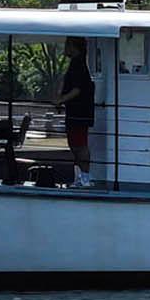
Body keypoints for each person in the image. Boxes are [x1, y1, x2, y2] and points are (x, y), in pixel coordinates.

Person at [56, 37, 95, 187]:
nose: (65, 48)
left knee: (80, 144)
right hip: (74, 111)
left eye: (67, 44)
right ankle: (79, 175)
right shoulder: (75, 64)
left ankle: (85, 177)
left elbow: (77, 89)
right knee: (74, 144)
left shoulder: (79, 64)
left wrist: (61, 99)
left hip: (79, 112)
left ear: (73, 47)